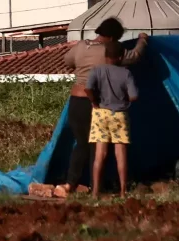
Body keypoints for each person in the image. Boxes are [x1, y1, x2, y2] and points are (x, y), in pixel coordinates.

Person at [56, 17, 147, 197]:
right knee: (96, 147)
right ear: (113, 38)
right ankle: (95, 187)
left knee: (81, 143)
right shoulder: (110, 52)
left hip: (75, 102)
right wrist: (143, 40)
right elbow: (134, 56)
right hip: (95, 103)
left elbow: (67, 61)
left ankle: (70, 184)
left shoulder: (81, 46)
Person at [84, 40, 138, 198]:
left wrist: (94, 102)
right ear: (121, 57)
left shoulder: (96, 70)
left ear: (105, 55)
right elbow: (134, 96)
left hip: (100, 113)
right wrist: (125, 103)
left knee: (100, 154)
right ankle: (122, 191)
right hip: (119, 114)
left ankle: (95, 192)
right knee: (120, 154)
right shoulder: (126, 73)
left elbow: (88, 88)